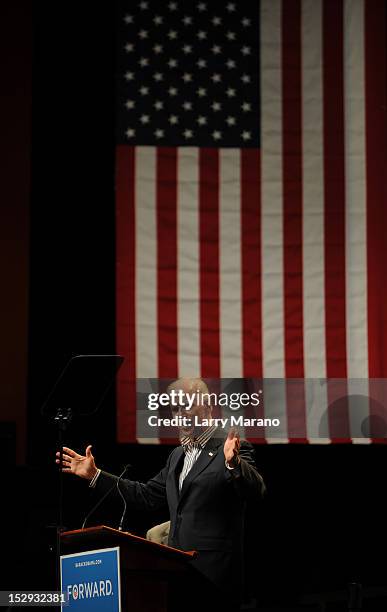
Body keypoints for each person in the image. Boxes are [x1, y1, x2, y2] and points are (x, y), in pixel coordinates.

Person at [56, 378, 266, 611]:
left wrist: (233, 463)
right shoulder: (177, 456)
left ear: (207, 406)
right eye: (175, 408)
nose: (180, 414)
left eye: (186, 405)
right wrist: (95, 474)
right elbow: (146, 495)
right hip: (176, 574)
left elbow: (256, 491)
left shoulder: (232, 448)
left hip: (215, 576)